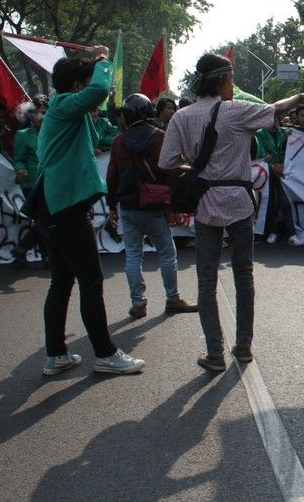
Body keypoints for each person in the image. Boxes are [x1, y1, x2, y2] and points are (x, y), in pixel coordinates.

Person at [159, 53, 304, 372]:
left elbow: (167, 165)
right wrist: (298, 96)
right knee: (244, 274)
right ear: (223, 82)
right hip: (241, 202)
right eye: (231, 80)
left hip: (206, 204)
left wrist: (202, 171)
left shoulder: (181, 117)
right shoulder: (236, 111)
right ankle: (243, 346)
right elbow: (275, 109)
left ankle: (214, 353)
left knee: (206, 278)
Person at [27, 47, 145, 376]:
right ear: (78, 86)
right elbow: (98, 90)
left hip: (53, 208)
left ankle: (56, 355)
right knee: (91, 282)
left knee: (62, 282)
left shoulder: (65, 111)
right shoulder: (64, 104)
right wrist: (104, 60)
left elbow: (97, 116)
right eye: (88, 81)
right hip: (63, 211)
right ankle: (106, 354)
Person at [107, 93, 197, 319]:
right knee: (167, 253)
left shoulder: (119, 141)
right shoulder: (160, 137)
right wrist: (173, 207)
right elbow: (170, 173)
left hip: (128, 208)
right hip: (155, 206)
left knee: (133, 256)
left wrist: (111, 206)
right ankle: (172, 299)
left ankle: (138, 304)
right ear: (149, 111)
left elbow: (111, 177)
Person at [12, 96, 49, 268]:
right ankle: (46, 256)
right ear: (30, 116)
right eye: (38, 113)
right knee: (43, 220)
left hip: (49, 182)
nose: (42, 116)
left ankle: (22, 248)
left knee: (44, 220)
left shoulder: (52, 134)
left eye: (45, 112)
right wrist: (20, 169)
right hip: (31, 184)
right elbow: (18, 159)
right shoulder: (22, 135)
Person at [255, 120, 301, 246]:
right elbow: (261, 153)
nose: (273, 120)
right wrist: (272, 166)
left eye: (276, 117)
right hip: (268, 174)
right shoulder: (260, 133)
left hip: (286, 173)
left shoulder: (286, 132)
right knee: (271, 203)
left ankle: (290, 233)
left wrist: (283, 166)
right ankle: (272, 232)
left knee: (285, 203)